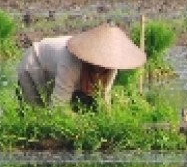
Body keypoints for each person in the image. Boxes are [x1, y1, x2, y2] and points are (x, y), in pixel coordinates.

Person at [17, 22, 146, 110]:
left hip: (54, 71)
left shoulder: (111, 66)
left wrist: (108, 122)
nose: (103, 68)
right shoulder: (71, 61)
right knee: (36, 114)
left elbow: (104, 96)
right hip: (34, 65)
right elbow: (58, 106)